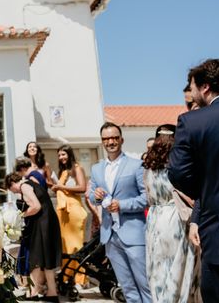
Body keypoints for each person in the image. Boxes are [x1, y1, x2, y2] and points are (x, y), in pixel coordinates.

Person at [169, 59, 219, 302]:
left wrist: (205, 192)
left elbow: (179, 173)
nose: (190, 93)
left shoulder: (193, 122)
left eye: (191, 87)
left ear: (204, 87)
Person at [89, 122, 151, 303]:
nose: (111, 142)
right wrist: (97, 196)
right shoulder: (96, 169)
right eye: (106, 138)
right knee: (127, 287)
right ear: (102, 142)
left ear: (121, 139)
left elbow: (147, 198)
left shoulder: (137, 165)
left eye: (114, 137)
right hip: (110, 236)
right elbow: (93, 198)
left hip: (134, 234)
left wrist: (121, 205)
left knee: (144, 284)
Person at [143, 124, 200, 303]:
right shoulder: (179, 163)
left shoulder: (148, 165)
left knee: (158, 267)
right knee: (179, 267)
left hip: (154, 219)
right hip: (175, 217)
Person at [7, 172, 61, 302]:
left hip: (41, 224)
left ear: (13, 183)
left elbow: (36, 206)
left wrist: (20, 216)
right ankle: (49, 293)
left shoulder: (24, 186)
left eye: (11, 189)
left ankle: (36, 292)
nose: (14, 192)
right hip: (48, 222)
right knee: (45, 258)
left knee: (35, 258)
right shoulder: (32, 184)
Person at [51, 145, 88, 286]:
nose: (61, 157)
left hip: (74, 211)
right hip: (63, 213)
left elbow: (82, 188)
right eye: (59, 155)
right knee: (66, 247)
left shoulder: (77, 168)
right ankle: (68, 276)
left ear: (70, 154)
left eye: (64, 154)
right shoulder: (63, 172)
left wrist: (61, 187)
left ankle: (80, 278)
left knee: (76, 246)